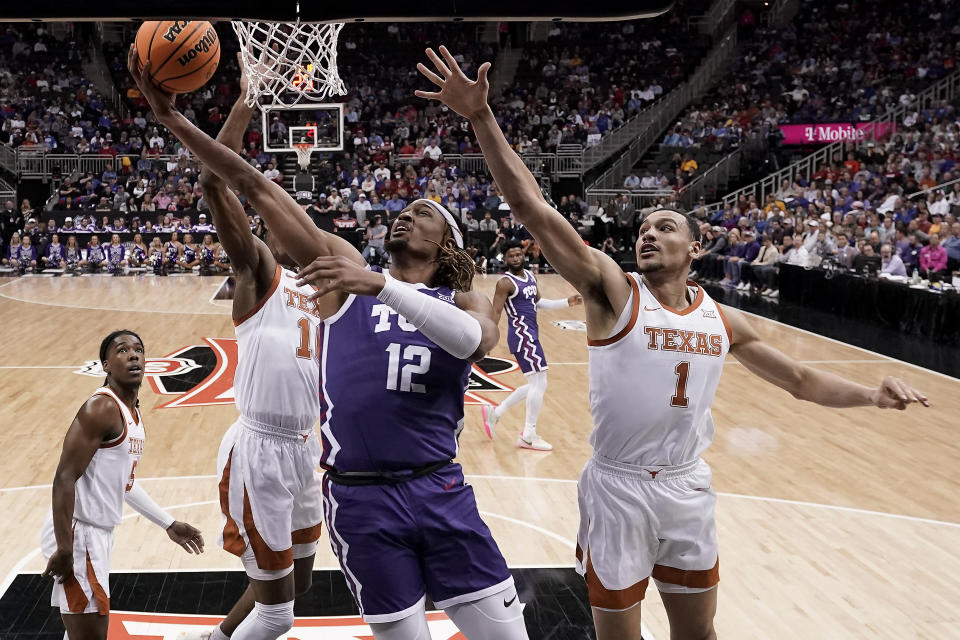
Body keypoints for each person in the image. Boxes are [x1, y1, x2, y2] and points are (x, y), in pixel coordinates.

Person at [417, 45, 929, 640]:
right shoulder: (615, 293)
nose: (648, 236)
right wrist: (481, 118)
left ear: (696, 248)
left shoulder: (721, 320)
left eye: (665, 228)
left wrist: (872, 393)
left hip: (687, 485)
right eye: (642, 229)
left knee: (699, 634)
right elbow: (534, 210)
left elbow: (802, 381)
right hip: (618, 486)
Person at [130, 47, 526, 640]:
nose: (404, 215)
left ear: (448, 243)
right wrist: (172, 121)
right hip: (359, 497)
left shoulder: (460, 300)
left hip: (439, 487)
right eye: (403, 208)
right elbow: (249, 186)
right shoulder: (342, 272)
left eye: (423, 213)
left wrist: (385, 288)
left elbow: (475, 343)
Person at [179, 74, 327, 640]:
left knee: (301, 583)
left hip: (303, 449)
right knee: (278, 612)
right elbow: (214, 186)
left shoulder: (328, 290)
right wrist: (245, 105)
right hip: (259, 448)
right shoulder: (259, 271)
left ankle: (216, 638)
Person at [40, 331, 204, 640]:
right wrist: (65, 547)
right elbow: (64, 477)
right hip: (79, 536)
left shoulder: (134, 415)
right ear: (105, 365)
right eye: (122, 350)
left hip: (95, 535)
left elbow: (123, 485)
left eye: (139, 350)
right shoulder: (101, 409)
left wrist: (167, 523)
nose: (133, 355)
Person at [481, 239, 582, 451]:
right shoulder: (505, 283)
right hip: (521, 335)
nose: (516, 258)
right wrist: (489, 337)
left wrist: (567, 302)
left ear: (523, 255)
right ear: (505, 259)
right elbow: (496, 312)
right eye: (511, 255)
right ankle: (528, 434)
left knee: (537, 384)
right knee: (539, 383)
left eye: (519, 254)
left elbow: (538, 303)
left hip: (531, 335)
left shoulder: (530, 276)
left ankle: (496, 413)